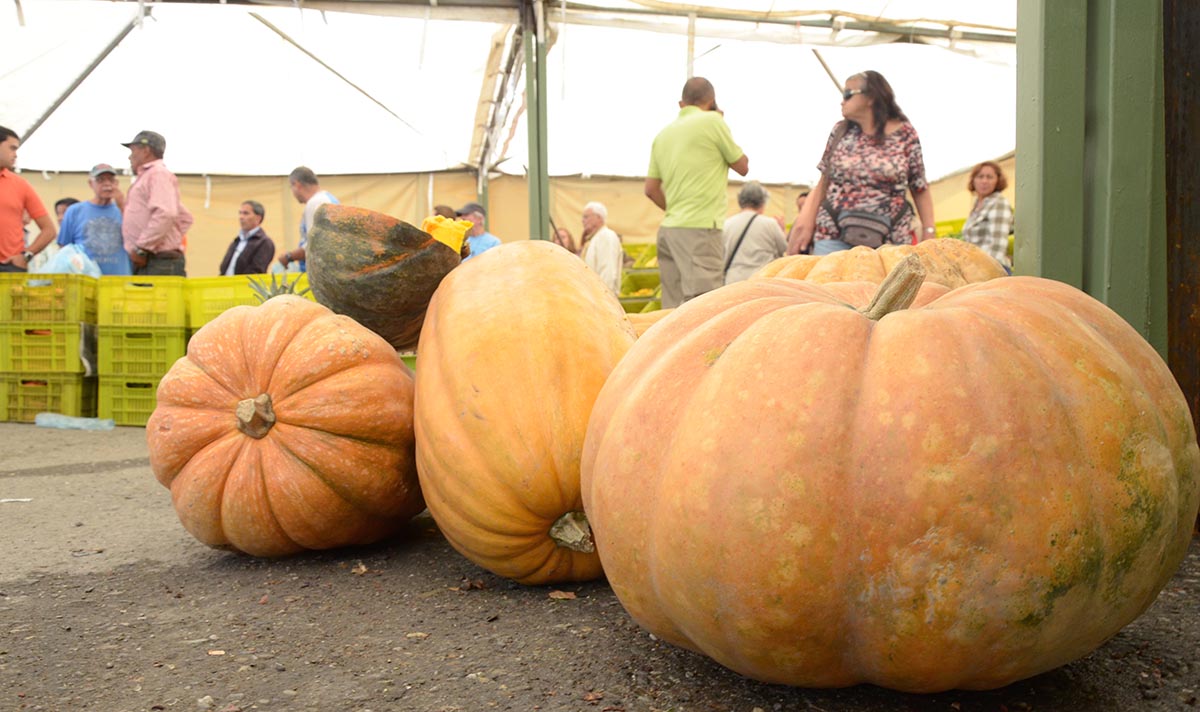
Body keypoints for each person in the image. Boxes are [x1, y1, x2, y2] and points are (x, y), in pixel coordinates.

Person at [787, 71, 934, 256]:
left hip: (890, 240)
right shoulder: (840, 131)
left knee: (884, 286)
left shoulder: (906, 134)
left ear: (871, 97)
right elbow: (824, 182)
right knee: (830, 285)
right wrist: (805, 224)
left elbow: (919, 186)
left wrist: (929, 231)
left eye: (848, 94)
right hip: (833, 234)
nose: (842, 101)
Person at [644, 77, 748, 308]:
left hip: (669, 229)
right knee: (703, 308)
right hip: (700, 229)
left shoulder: (662, 135)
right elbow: (742, 166)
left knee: (671, 310)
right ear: (711, 101)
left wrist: (675, 209)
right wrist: (718, 118)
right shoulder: (713, 121)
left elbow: (650, 190)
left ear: (682, 104)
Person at [121, 130, 193, 276]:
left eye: (133, 151)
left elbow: (166, 213)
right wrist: (168, 239)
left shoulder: (157, 174)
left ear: (146, 151)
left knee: (155, 299)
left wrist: (143, 248)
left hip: (157, 262)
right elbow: (185, 218)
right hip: (155, 260)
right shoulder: (153, 176)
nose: (130, 157)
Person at [0, 126, 56, 272]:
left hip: (10, 268)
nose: (15, 155)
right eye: (12, 148)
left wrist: (26, 255)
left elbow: (49, 230)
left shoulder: (21, 185)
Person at [57, 163, 131, 275]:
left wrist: (122, 206)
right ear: (91, 184)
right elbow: (65, 248)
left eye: (111, 180)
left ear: (116, 183)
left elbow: (135, 240)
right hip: (86, 281)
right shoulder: (75, 211)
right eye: (100, 180)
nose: (107, 184)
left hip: (118, 281)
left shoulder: (126, 210)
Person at [723, 181, 787, 285]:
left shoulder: (727, 224)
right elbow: (783, 249)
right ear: (763, 201)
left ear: (740, 200)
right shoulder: (771, 224)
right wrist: (782, 231)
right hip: (762, 280)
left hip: (733, 281)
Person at [279, 166, 338, 272]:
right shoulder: (328, 198)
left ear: (297, 184)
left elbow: (315, 244)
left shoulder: (315, 203)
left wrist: (289, 257)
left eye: (291, 187)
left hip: (320, 272)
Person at [961, 160, 1014, 268]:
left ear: (997, 181)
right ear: (973, 180)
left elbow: (997, 246)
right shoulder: (977, 205)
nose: (984, 181)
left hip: (992, 269)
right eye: (980, 177)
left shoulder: (999, 202)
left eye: (989, 177)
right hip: (974, 267)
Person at [578, 202, 624, 295]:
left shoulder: (606, 236)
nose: (583, 221)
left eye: (586, 217)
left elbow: (608, 271)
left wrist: (604, 297)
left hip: (602, 298)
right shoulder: (595, 238)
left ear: (599, 217)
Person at [220, 201, 275, 275]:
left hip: (244, 285)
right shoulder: (236, 241)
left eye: (246, 213)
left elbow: (256, 271)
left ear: (258, 218)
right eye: (240, 213)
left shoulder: (264, 243)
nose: (241, 217)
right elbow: (224, 269)